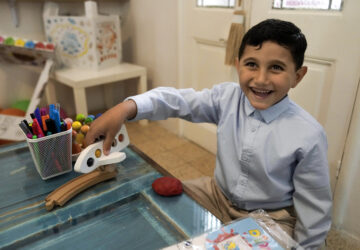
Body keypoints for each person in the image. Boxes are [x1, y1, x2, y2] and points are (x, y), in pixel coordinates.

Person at [84, 19, 332, 249]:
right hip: (215, 194)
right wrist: (126, 107)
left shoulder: (308, 134)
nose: (261, 79)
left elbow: (315, 208)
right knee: (153, 204)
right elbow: (179, 100)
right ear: (238, 65)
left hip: (271, 216)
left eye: (276, 68)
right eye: (251, 65)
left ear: (298, 76)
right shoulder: (226, 98)